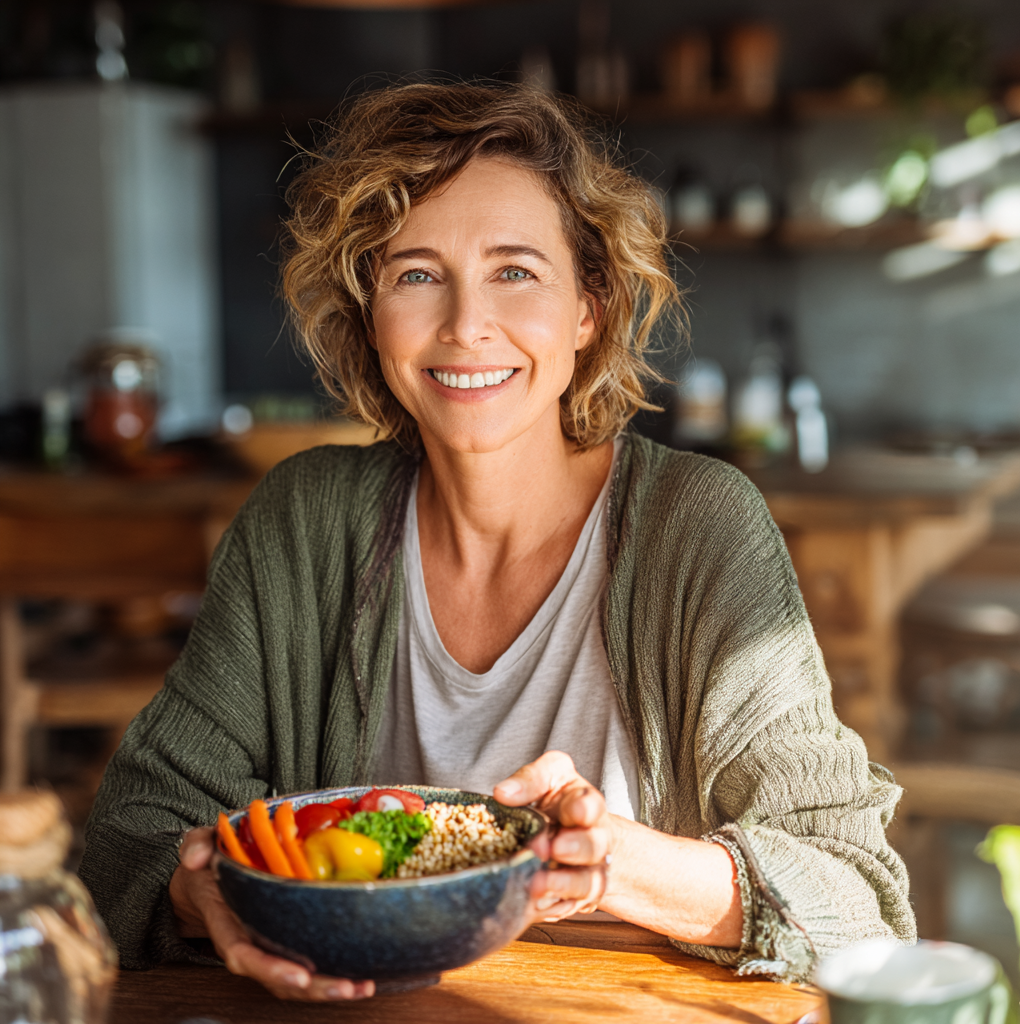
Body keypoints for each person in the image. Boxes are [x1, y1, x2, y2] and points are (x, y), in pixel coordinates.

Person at [79, 81, 915, 1002]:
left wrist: (614, 866)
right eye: (416, 274)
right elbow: (130, 837)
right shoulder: (301, 525)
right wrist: (205, 898)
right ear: (370, 313)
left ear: (589, 307)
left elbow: (858, 895)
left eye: (516, 271)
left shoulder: (696, 525)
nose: (466, 325)